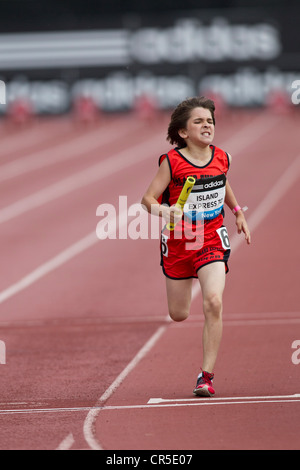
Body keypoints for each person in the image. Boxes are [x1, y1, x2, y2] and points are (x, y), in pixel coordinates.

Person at [141, 96, 251, 397]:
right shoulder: (172, 162)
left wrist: (238, 212)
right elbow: (147, 199)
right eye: (199, 121)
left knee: (213, 300)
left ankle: (206, 376)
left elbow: (222, 181)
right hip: (178, 242)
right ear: (183, 132)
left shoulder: (222, 156)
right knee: (178, 314)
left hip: (212, 237)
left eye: (210, 121)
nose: (207, 125)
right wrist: (165, 211)